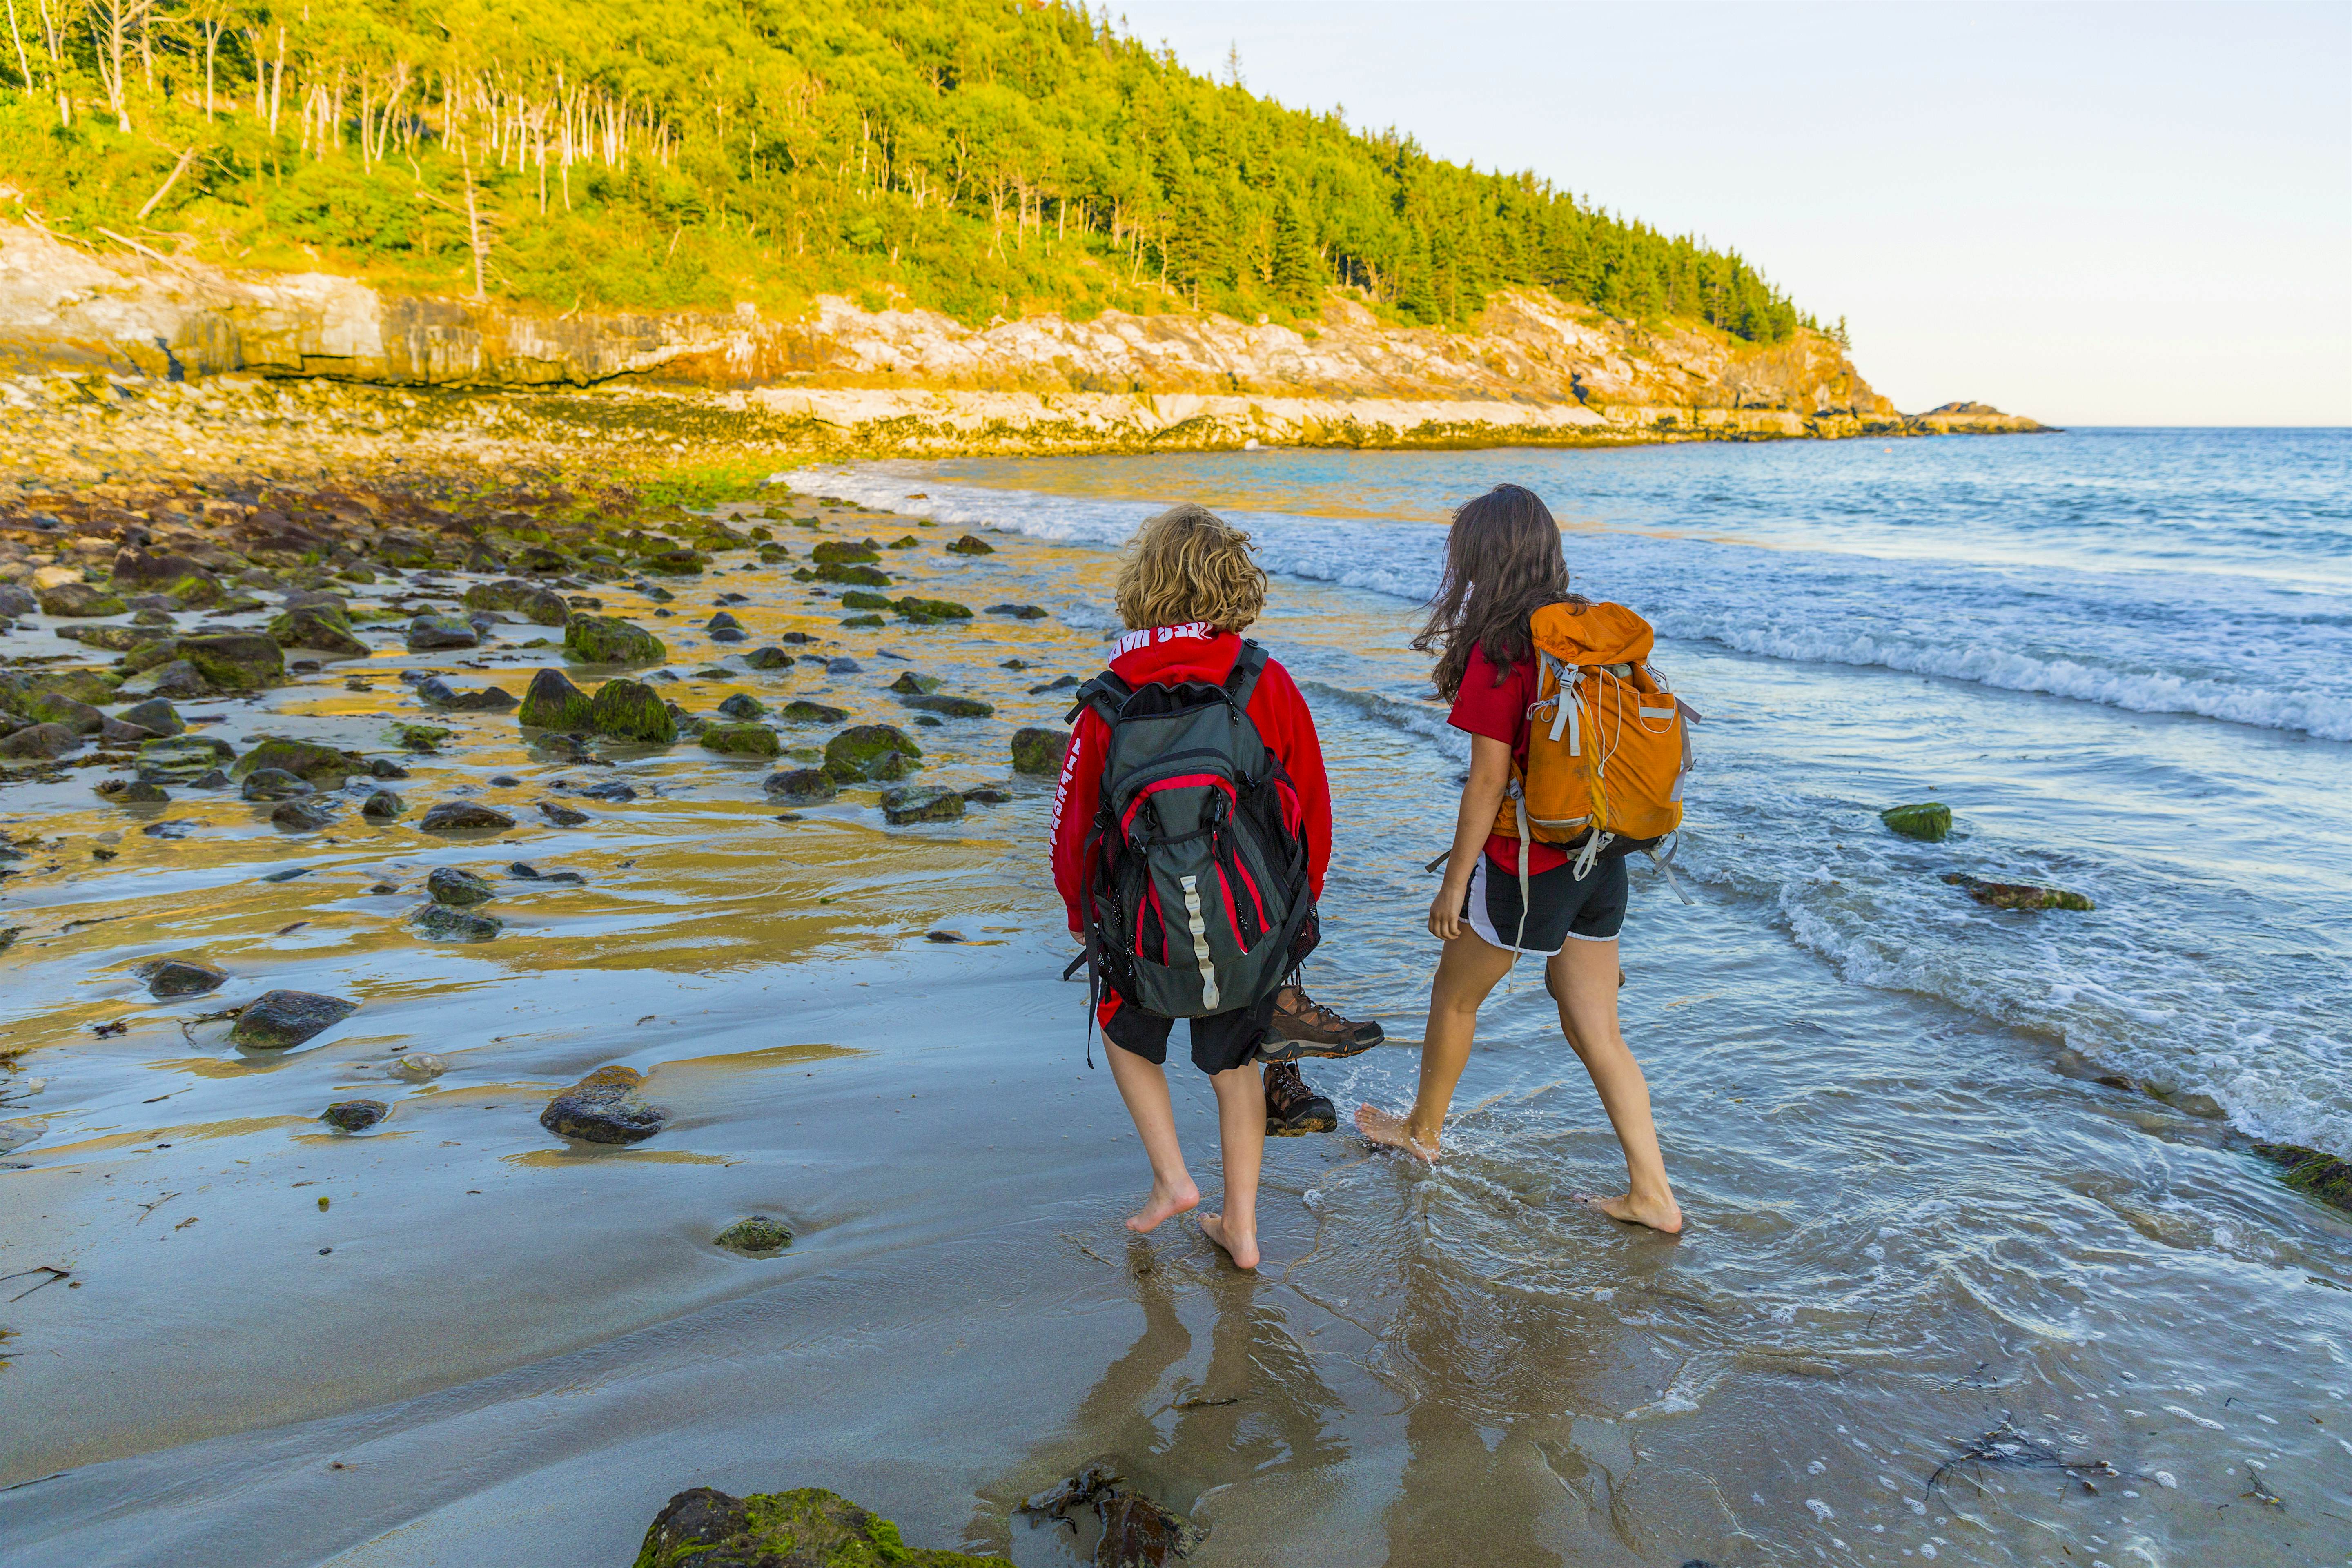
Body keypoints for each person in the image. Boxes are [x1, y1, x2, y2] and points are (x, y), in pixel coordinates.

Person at [1051, 503, 1376, 1268]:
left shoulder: (1106, 698)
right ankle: (1243, 1229)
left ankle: (1172, 1180)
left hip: (1143, 924)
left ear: (1144, 585)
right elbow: (1313, 804)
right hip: (1250, 918)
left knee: (1122, 1026)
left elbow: (1071, 826)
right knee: (1238, 1058)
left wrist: (1079, 916)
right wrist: (1295, 914)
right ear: (1233, 584)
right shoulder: (1264, 678)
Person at [1356, 484, 1683, 1234]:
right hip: (1602, 856)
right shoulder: (1589, 636)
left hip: (1528, 864)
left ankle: (1424, 1134)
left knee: (1456, 994)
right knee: (1597, 1027)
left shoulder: (1502, 650)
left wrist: (1455, 881)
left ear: (1483, 561)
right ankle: (1653, 1195)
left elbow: (1488, 779)